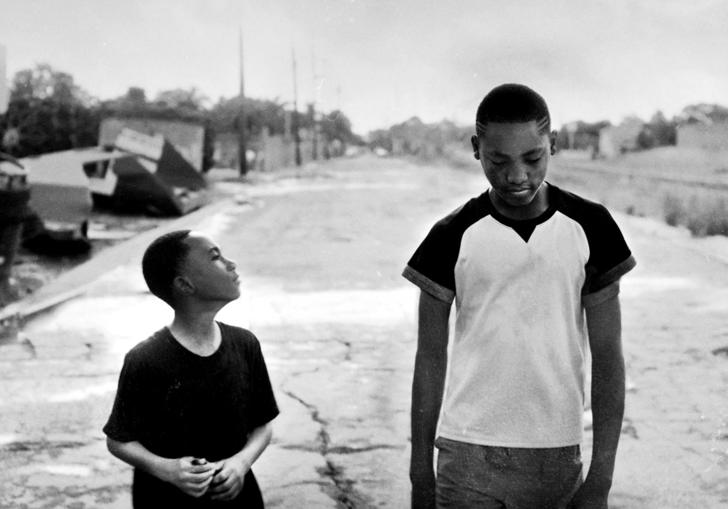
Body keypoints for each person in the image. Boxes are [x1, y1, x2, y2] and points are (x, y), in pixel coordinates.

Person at [403, 83, 635, 509]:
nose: (517, 176)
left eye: (533, 158)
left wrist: (601, 477)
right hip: (466, 452)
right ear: (476, 148)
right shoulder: (450, 235)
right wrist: (420, 473)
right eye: (498, 160)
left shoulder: (591, 226)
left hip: (557, 454)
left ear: (554, 143)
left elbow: (608, 357)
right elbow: (429, 359)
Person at [104, 230, 279, 508]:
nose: (231, 264)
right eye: (215, 258)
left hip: (237, 495)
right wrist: (166, 469)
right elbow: (118, 440)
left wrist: (240, 464)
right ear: (185, 285)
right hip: (166, 498)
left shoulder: (244, 344)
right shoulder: (146, 359)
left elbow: (262, 425)